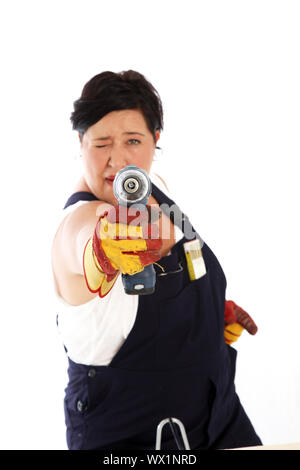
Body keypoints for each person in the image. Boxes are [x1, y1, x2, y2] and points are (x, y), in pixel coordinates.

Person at [51, 70, 262, 450]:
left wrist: (208, 316)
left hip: (220, 415)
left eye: (133, 140)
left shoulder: (156, 188)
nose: (118, 160)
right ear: (80, 142)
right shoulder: (78, 222)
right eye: (101, 143)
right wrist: (102, 248)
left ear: (155, 140)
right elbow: (83, 241)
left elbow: (185, 262)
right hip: (135, 434)